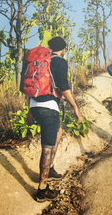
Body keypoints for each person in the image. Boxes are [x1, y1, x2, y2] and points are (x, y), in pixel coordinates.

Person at [27, 37, 83, 202]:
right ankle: (42, 189)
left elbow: (32, 84)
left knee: (59, 132)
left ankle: (49, 169)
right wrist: (75, 107)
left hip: (36, 105)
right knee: (47, 148)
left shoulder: (40, 61)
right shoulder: (60, 62)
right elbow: (63, 86)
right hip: (49, 108)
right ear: (63, 49)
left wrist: (30, 110)